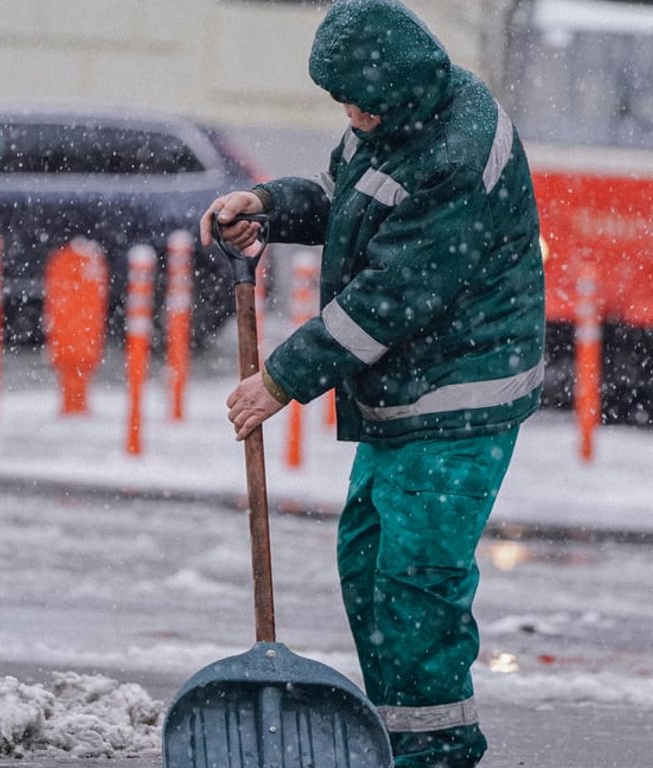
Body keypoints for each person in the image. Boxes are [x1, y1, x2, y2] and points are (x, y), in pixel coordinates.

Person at [199, 1, 545, 765]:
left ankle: (435, 752)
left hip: (459, 396)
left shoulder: (456, 151)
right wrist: (267, 204)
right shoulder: (393, 117)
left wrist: (279, 380)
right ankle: (398, 736)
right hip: (406, 391)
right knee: (368, 564)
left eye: (359, 101)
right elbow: (345, 200)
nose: (351, 115)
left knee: (415, 584)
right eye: (343, 102)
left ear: (400, 87)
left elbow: (391, 298)